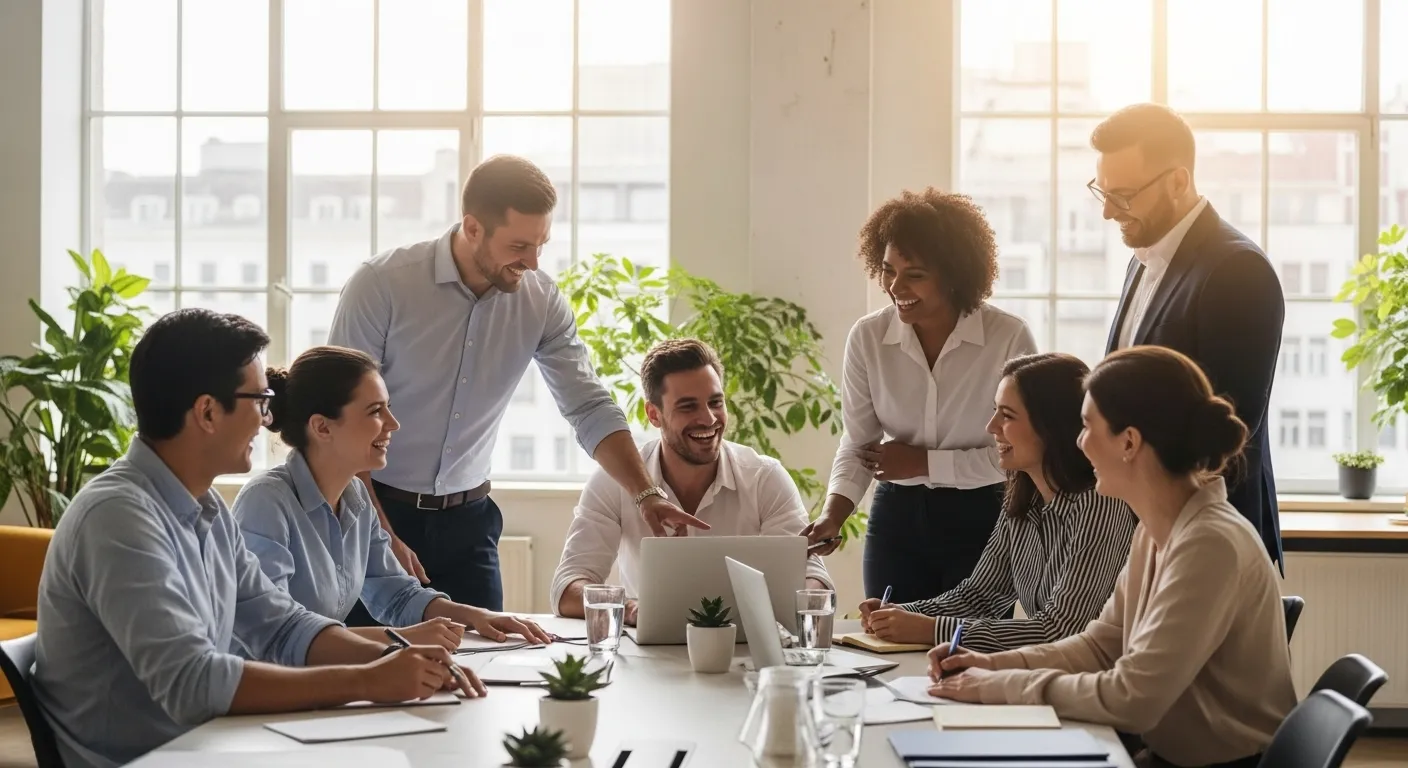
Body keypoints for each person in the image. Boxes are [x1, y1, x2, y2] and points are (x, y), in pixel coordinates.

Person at [31, 310, 484, 768]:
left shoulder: (205, 508)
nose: (267, 418)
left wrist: (395, 660)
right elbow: (192, 683)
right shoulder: (119, 517)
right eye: (258, 400)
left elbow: (282, 626)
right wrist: (366, 680)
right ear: (208, 411)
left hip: (210, 744)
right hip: (151, 758)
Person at [328, 154, 706, 615]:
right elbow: (341, 419)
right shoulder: (382, 285)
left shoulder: (540, 301)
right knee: (372, 669)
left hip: (469, 525)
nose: (532, 261)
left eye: (541, 244)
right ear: (472, 228)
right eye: (519, 246)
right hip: (374, 507)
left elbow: (587, 406)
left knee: (486, 672)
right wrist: (379, 534)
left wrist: (646, 494)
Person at [928, 346, 1295, 768]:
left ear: (1129, 442)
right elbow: (1100, 646)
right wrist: (988, 664)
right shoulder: (1156, 531)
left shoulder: (1209, 544)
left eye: (1086, 426)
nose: (1078, 442)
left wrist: (998, 685)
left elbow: (1132, 699)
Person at [231, 346, 555, 649]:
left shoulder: (355, 496)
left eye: (389, 408)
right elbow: (276, 630)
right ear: (322, 428)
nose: (393, 424)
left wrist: (478, 616)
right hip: (260, 693)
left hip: (316, 681)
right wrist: (400, 638)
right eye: (375, 411)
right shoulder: (266, 503)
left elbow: (396, 594)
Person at [803, 187, 1039, 603]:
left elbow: (1022, 454)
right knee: (885, 642)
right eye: (888, 270)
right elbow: (859, 443)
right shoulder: (868, 337)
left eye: (914, 274)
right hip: (897, 517)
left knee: (969, 651)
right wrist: (832, 515)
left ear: (953, 274)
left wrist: (925, 463)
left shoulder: (1008, 337)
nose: (895, 287)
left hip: (984, 516)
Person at [1090, 103, 1284, 566]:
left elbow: (1230, 422)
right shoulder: (1142, 257)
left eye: (1125, 195)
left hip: (1209, 535)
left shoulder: (1238, 270)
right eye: (1103, 192)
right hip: (1145, 533)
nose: (1109, 212)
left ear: (1178, 181)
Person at [856, 353, 1135, 649]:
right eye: (994, 411)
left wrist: (933, 629)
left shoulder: (1101, 504)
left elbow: (1061, 631)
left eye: (1007, 415)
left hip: (1101, 680)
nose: (991, 426)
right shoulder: (1021, 498)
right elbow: (980, 595)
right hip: (1050, 673)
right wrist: (901, 613)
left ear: (1051, 425)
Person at [552, 340, 832, 624]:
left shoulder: (764, 478)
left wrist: (802, 598)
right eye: (688, 407)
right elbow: (567, 588)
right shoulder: (615, 480)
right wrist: (630, 608)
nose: (708, 419)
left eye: (715, 403)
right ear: (653, 415)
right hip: (647, 655)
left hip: (744, 650)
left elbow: (813, 575)